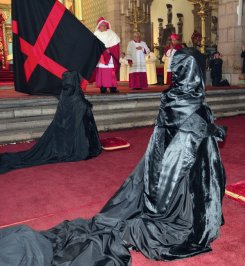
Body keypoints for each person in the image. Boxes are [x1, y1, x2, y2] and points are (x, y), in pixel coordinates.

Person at [0, 48, 227, 265]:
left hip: (163, 176)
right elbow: (178, 165)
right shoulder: (192, 106)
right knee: (159, 225)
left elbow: (158, 149)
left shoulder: (171, 100)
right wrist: (158, 206)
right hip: (180, 193)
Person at [0, 71, 102, 174]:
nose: (68, 86)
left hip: (62, 135)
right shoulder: (76, 97)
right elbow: (83, 116)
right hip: (71, 138)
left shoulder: (64, 94)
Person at [93, 17, 120, 94]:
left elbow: (116, 45)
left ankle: (112, 88)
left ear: (107, 25)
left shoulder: (112, 33)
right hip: (101, 56)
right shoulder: (96, 34)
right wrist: (102, 50)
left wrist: (110, 50)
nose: (103, 26)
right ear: (98, 26)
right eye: (101, 25)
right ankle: (103, 88)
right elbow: (94, 46)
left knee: (111, 72)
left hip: (110, 55)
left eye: (104, 25)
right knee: (102, 72)